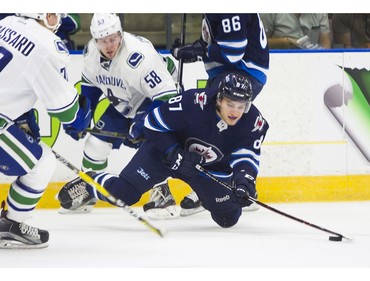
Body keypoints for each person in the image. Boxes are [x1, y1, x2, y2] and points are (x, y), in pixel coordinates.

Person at [57, 72, 269, 229]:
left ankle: (204, 196)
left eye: (242, 106)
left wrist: (244, 181)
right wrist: (172, 151)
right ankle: (90, 183)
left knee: (228, 218)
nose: (236, 112)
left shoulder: (254, 122)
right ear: (220, 99)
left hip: (205, 168)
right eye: (231, 104)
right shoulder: (193, 103)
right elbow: (152, 122)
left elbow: (247, 154)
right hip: (163, 155)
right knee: (124, 194)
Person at [58, 13, 179, 218]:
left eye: (113, 39)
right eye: (103, 41)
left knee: (150, 146)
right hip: (123, 102)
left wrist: (143, 123)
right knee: (95, 144)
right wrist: (80, 117)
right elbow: (90, 88)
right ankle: (90, 190)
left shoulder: (138, 57)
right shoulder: (90, 53)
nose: (109, 45)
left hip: (151, 100)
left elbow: (167, 96)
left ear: (120, 34)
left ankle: (162, 193)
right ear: (95, 40)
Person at [148, 13, 269, 217]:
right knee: (211, 128)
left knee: (217, 132)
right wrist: (196, 48)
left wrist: (199, 51)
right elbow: (218, 42)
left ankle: (230, 187)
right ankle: (222, 187)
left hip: (242, 72)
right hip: (226, 73)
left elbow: (232, 52)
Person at [0, 13, 92, 248]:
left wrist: (17, 115)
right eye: (54, 15)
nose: (57, 21)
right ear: (45, 15)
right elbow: (67, 111)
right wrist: (79, 118)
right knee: (42, 163)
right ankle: (11, 225)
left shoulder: (5, 22)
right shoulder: (47, 45)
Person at [260, 13, 331, 49]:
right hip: (277, 61)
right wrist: (284, 42)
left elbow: (326, 48)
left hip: (313, 61)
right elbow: (258, 44)